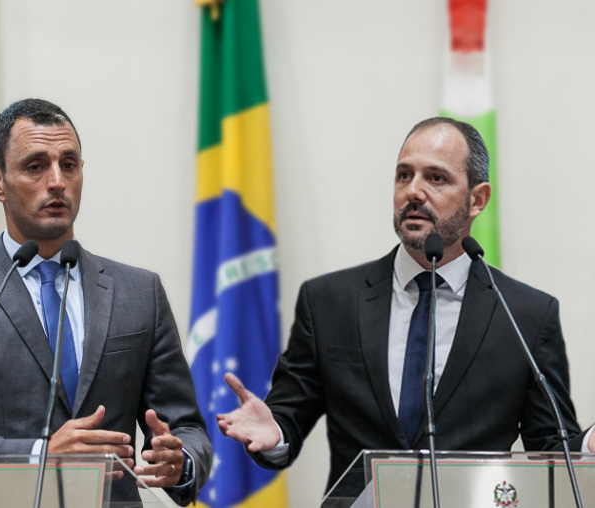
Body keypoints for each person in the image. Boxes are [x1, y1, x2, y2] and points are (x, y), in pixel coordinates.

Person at [216, 117, 595, 497]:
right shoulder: (329, 302)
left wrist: (591, 445)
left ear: (477, 200)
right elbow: (289, 414)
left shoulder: (526, 315)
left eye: (436, 178)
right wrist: (275, 431)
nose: (413, 191)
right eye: (403, 175)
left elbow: (552, 448)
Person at [0, 98, 211, 505]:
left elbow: (187, 427)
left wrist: (179, 460)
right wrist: (39, 455)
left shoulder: (139, 292)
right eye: (35, 166)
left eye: (69, 164)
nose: (57, 181)